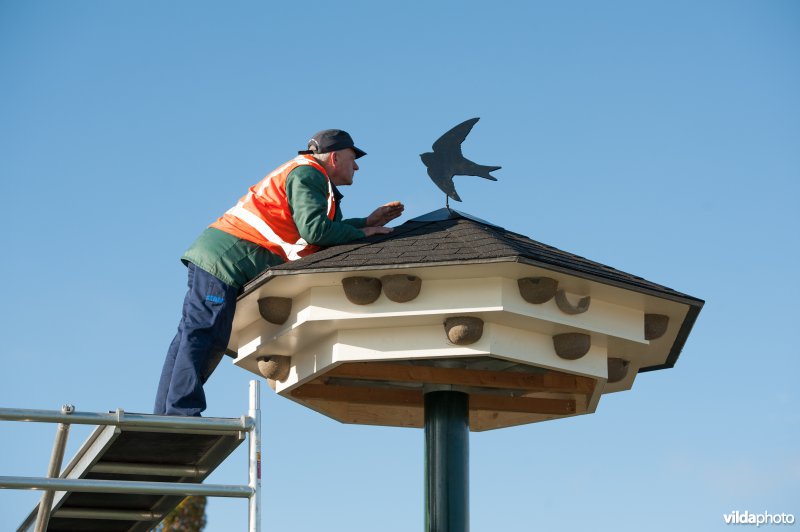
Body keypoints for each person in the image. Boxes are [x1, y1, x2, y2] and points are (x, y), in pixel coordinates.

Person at [154, 129, 404, 416]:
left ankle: (168, 414)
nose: (357, 166)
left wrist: (365, 222)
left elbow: (316, 231)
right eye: (353, 158)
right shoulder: (309, 174)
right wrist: (362, 233)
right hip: (226, 260)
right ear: (335, 158)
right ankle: (181, 412)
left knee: (195, 333)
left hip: (221, 256)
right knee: (204, 334)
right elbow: (315, 231)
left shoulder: (306, 174)